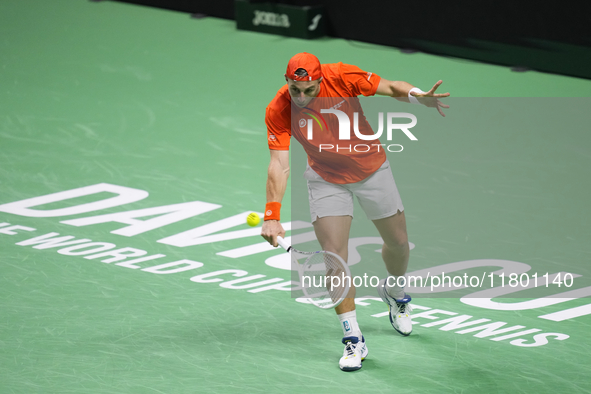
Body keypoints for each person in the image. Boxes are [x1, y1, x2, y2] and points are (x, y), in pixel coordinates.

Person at [261, 52, 449, 371]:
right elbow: (279, 163)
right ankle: (352, 338)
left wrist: (419, 98)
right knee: (335, 259)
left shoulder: (342, 77)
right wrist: (271, 215)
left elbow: (390, 87)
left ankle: (395, 290)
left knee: (399, 243)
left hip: (372, 171)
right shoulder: (279, 108)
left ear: (321, 80)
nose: (302, 97)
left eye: (310, 89)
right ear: (288, 83)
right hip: (325, 180)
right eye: (296, 89)